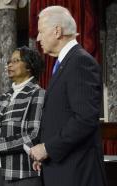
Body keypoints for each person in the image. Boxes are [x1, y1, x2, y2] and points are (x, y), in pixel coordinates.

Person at [29, 6, 107, 186]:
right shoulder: (64, 63)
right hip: (62, 168)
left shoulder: (80, 61)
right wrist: (44, 154)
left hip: (77, 172)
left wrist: (47, 148)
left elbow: (85, 119)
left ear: (57, 31)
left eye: (41, 31)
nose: (38, 38)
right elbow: (60, 118)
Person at [0, 46, 45, 186]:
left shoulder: (38, 94)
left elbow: (33, 135)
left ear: (29, 66)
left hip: (22, 174)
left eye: (16, 61)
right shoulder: (3, 97)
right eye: (9, 61)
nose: (9, 64)